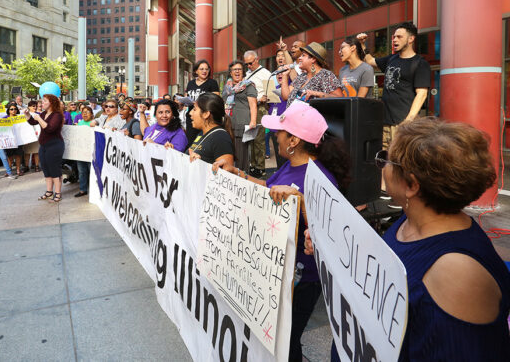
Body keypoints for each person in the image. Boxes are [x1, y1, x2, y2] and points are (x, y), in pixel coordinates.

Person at [304, 118, 510, 361]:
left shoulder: (457, 272)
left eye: (385, 159)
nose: (381, 167)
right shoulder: (412, 219)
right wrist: (329, 245)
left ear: (411, 184)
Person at [214, 102, 351, 362]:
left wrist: (300, 201)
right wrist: (239, 174)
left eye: (280, 132)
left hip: (302, 277)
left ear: (294, 141)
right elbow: (270, 187)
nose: (274, 136)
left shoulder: (320, 178)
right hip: (280, 270)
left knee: (287, 341)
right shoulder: (292, 165)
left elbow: (327, 234)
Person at [358, 22, 431, 155]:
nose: (395, 40)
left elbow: (422, 94)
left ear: (411, 39)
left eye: (399, 37)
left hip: (403, 124)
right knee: (385, 161)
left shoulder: (420, 63)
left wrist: (408, 121)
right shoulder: (392, 59)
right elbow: (370, 61)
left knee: (402, 161)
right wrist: (363, 45)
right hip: (385, 122)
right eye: (394, 37)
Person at [244, 50, 280, 178]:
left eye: (250, 63)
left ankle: (260, 167)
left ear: (257, 59)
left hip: (260, 108)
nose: (248, 66)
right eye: (246, 64)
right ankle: (253, 165)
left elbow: (271, 94)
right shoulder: (247, 74)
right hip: (249, 108)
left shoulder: (265, 73)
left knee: (259, 138)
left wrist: (261, 99)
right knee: (251, 139)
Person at [278, 42, 343, 107]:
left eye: (303, 55)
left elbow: (340, 99)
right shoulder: (301, 77)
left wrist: (317, 94)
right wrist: (285, 75)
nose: (300, 58)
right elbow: (286, 96)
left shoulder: (326, 75)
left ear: (313, 59)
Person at [25, 94, 64, 202]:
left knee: (54, 169)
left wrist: (38, 118)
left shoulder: (57, 115)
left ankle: (58, 193)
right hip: (43, 145)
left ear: (51, 103)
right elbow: (33, 122)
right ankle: (49, 191)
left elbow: (49, 128)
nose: (41, 104)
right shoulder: (43, 113)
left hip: (54, 145)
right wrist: (27, 115)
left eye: (44, 101)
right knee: (46, 169)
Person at [222, 60, 258, 171]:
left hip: (241, 124)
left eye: (239, 69)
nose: (237, 72)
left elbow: (253, 105)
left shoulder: (248, 85)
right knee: (229, 152)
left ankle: (242, 178)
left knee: (241, 155)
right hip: (228, 124)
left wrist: (253, 121)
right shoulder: (227, 86)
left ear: (243, 72)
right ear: (230, 72)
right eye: (234, 70)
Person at [188, 93, 235, 166]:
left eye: (194, 109)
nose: (190, 113)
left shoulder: (220, 137)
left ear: (206, 114)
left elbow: (226, 173)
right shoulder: (201, 133)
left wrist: (200, 164)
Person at [74, 105, 94, 198]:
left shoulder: (94, 123)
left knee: (91, 171)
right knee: (82, 172)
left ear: (92, 114)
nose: (85, 114)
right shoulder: (79, 123)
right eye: (83, 112)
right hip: (81, 151)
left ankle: (94, 190)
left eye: (87, 112)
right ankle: (83, 190)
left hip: (90, 151)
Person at [2, 104, 25, 177]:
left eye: (15, 109)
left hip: (19, 140)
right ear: (8, 110)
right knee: (10, 156)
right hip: (9, 140)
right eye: (11, 109)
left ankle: (18, 169)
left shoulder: (20, 118)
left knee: (18, 155)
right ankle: (9, 170)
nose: (13, 110)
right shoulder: (4, 119)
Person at [22, 100, 41, 172]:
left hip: (36, 136)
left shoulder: (38, 114)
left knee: (36, 152)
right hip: (27, 136)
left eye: (36, 106)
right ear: (29, 107)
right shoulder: (24, 114)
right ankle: (26, 166)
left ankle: (36, 166)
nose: (35, 107)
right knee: (27, 152)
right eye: (33, 106)